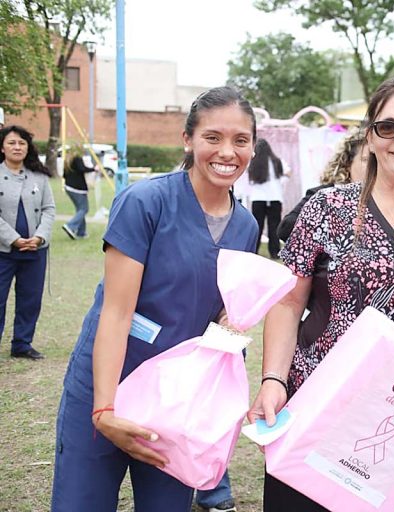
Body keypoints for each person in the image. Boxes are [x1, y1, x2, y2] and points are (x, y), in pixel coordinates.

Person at [248, 75, 394, 511]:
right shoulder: (327, 209)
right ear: (370, 137)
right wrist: (273, 380)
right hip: (312, 409)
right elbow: (287, 301)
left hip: (392, 425)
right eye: (387, 127)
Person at [50, 86, 260, 512]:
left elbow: (221, 310)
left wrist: (230, 323)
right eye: (212, 137)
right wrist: (104, 410)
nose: (227, 152)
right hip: (109, 379)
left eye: (241, 140)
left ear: (253, 147)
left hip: (177, 399)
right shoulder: (146, 202)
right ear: (188, 140)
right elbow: (116, 312)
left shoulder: (246, 227)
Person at [0, 125, 55, 360]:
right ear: (2, 147)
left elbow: (49, 209)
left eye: (22, 143)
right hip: (3, 250)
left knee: (30, 299)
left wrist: (39, 237)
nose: (17, 147)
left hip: (35, 250)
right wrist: (14, 239)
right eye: (12, 142)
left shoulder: (39, 176)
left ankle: (22, 344)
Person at [277, 127, 367, 242]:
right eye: (366, 160)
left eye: (377, 161)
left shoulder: (385, 200)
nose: (374, 167)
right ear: (347, 163)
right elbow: (286, 229)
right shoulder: (324, 195)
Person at [234, 139, 287, 259]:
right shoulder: (277, 161)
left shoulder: (253, 163)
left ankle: (254, 250)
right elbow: (286, 173)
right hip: (275, 198)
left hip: (258, 199)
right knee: (274, 226)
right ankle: (274, 252)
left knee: (257, 226)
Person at [61, 144, 96, 239]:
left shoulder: (67, 159)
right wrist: (94, 169)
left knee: (80, 209)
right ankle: (70, 226)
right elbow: (82, 169)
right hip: (78, 189)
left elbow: (64, 175)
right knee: (84, 209)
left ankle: (81, 232)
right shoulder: (77, 158)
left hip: (69, 187)